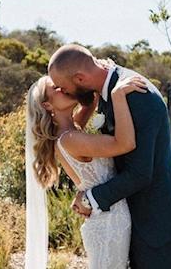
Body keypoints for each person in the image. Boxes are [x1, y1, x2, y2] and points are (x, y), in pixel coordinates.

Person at [46, 44, 171, 268]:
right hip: (129, 216)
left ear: (79, 78)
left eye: (63, 87)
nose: (65, 93)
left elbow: (140, 173)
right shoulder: (108, 88)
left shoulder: (135, 96)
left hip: (154, 218)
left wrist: (91, 198)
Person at [26, 73, 147, 268]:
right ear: (47, 105)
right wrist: (117, 96)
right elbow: (125, 143)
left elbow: (90, 103)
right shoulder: (70, 140)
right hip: (108, 222)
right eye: (56, 88)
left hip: (107, 215)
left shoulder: (71, 129)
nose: (64, 87)